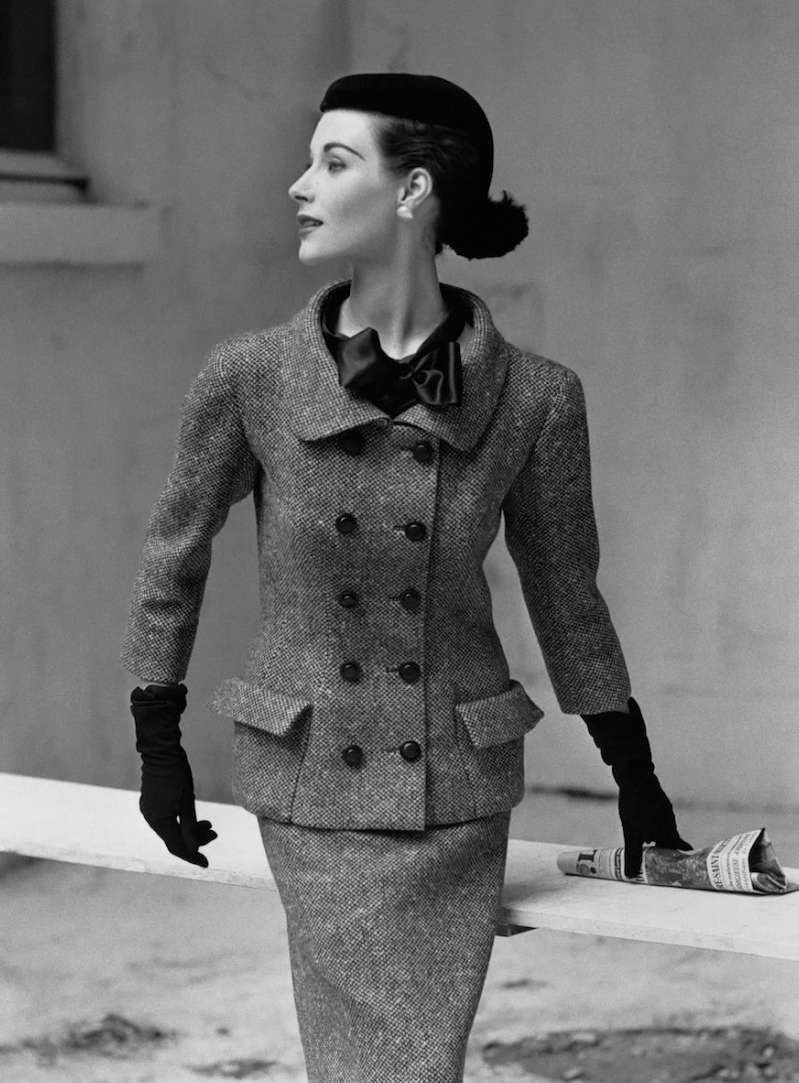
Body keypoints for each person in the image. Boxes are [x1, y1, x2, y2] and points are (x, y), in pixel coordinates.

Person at [121, 72, 690, 1083]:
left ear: (413, 190)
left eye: (333, 162)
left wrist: (632, 775)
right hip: (312, 777)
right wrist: (155, 739)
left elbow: (566, 594)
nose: (299, 185)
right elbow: (175, 554)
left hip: (453, 786)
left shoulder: (536, 400)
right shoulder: (250, 377)